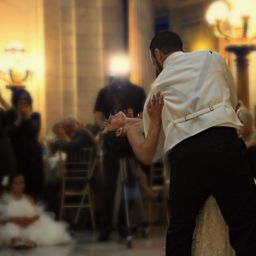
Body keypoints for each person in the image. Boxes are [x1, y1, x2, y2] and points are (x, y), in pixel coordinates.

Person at [107, 31, 256, 255]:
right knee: (247, 226)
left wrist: (128, 127)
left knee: (180, 232)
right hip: (224, 146)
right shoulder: (213, 57)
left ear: (157, 55)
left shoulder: (158, 88)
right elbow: (232, 101)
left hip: (188, 157)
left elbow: (149, 152)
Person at [94, 76, 147, 241]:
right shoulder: (105, 92)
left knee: (130, 185)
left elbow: (143, 116)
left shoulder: (137, 92)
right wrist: (108, 127)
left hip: (131, 143)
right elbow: (97, 116)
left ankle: (126, 223)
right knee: (108, 186)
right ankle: (105, 226)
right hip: (110, 145)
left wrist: (129, 126)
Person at [0, 173, 72, 248]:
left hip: (28, 223)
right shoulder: (5, 199)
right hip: (13, 224)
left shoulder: (28, 198)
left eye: (22, 183)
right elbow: (2, 218)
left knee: (35, 230)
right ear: (10, 185)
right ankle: (17, 240)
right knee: (11, 228)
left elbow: (37, 214)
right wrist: (16, 220)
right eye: (16, 183)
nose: (20, 186)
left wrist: (30, 220)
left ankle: (27, 241)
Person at [4, 89, 44, 201]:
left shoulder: (35, 116)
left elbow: (34, 132)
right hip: (16, 157)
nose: (24, 102)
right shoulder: (9, 117)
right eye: (21, 100)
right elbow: (8, 134)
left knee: (33, 188)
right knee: (16, 188)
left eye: (26, 100)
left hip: (33, 159)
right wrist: (19, 119)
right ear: (15, 102)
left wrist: (26, 117)